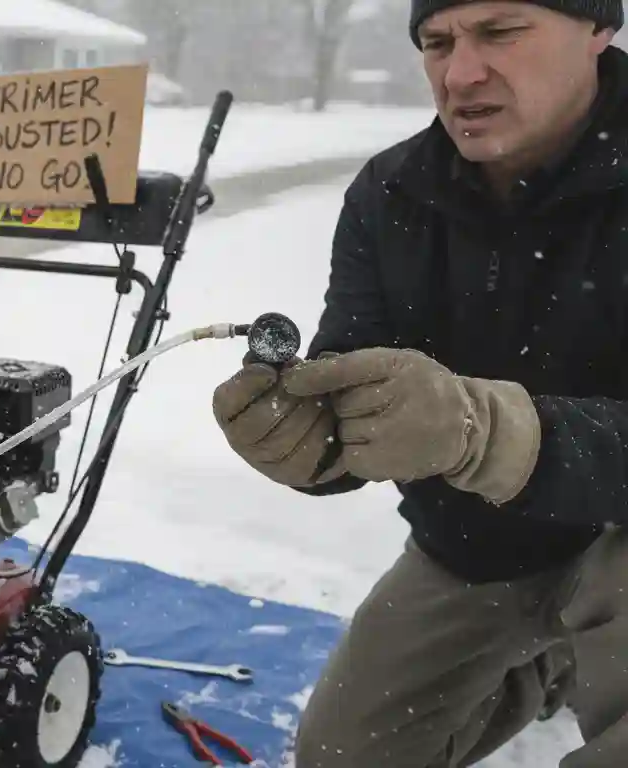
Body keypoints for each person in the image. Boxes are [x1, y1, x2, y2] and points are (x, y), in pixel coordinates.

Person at [211, 1, 628, 766]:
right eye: (436, 42)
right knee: (342, 756)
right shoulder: (391, 193)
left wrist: (494, 432)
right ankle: (544, 664)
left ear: (599, 29)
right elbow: (351, 375)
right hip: (475, 545)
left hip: (618, 537)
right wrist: (315, 446)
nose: (460, 72)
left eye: (500, 32)